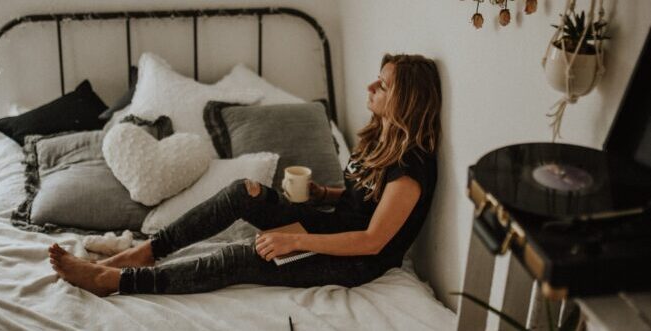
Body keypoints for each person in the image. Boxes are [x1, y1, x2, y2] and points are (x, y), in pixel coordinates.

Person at [48, 53, 442, 297]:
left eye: (383, 85)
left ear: (404, 101)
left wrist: (291, 239)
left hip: (354, 261)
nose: (371, 85)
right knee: (244, 193)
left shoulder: (411, 169)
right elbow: (364, 201)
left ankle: (116, 282)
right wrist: (325, 193)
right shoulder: (379, 139)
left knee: (242, 257)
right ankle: (146, 252)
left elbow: (373, 241)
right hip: (329, 228)